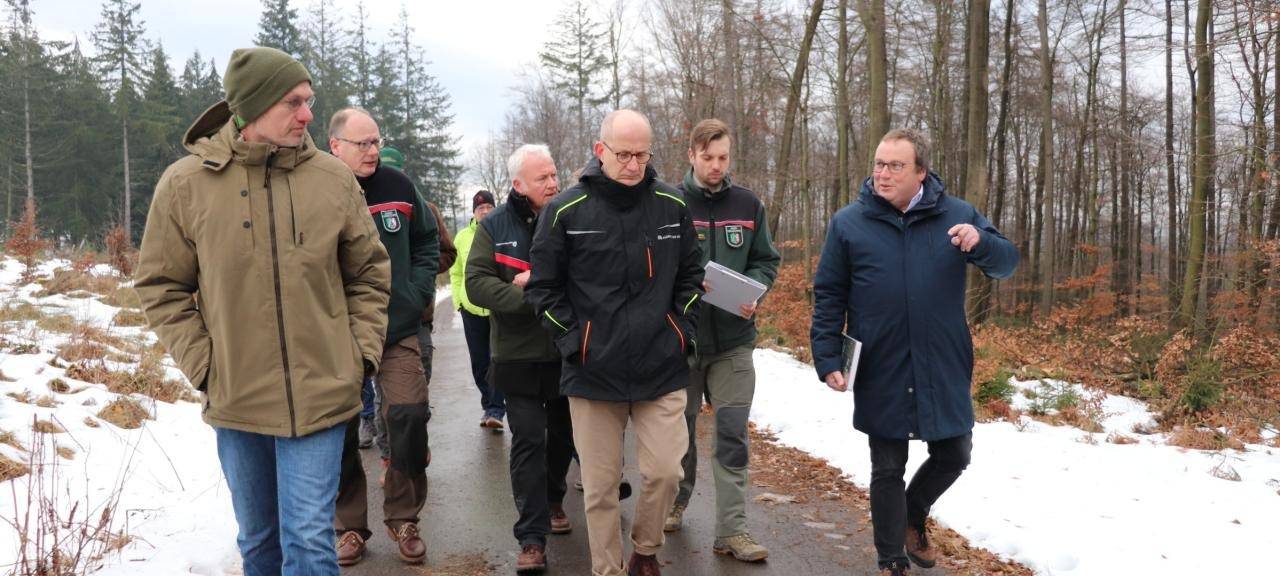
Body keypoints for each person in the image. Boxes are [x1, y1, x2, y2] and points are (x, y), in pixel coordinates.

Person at [135, 47, 390, 576]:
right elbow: (161, 286)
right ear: (251, 106)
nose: (308, 114)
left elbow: (368, 274)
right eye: (293, 102)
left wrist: (358, 356)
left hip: (321, 392)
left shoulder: (333, 179)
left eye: (309, 100)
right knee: (260, 544)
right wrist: (207, 366)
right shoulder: (185, 184)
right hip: (237, 397)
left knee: (309, 539)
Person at [810, 128, 1019, 576]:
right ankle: (891, 560)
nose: (882, 174)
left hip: (942, 360)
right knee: (887, 465)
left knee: (955, 453)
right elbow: (829, 293)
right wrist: (826, 357)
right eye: (879, 164)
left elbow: (1006, 263)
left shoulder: (958, 215)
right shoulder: (849, 223)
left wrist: (982, 242)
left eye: (895, 166)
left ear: (920, 172)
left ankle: (912, 512)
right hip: (880, 361)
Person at [526, 109, 704, 576]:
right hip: (592, 370)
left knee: (666, 471)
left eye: (642, 155)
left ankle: (645, 548)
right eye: (623, 154)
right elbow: (543, 289)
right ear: (599, 149)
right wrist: (575, 342)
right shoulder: (565, 211)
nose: (633, 164)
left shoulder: (672, 205)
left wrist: (681, 331)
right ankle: (607, 569)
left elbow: (692, 275)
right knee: (601, 487)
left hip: (661, 364)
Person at [327, 108, 440, 566]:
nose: (373, 151)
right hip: (337, 332)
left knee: (409, 414)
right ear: (335, 146)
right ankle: (350, 526)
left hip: (397, 327)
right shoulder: (317, 187)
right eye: (363, 144)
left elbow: (428, 242)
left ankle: (404, 516)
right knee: (339, 429)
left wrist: (416, 292)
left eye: (376, 141)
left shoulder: (399, 186)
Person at [666, 119, 780, 562]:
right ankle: (675, 502)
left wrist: (754, 290)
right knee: (680, 434)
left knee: (732, 435)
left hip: (734, 342)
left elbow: (766, 260)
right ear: (692, 155)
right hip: (683, 341)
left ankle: (732, 530)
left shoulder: (748, 204)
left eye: (724, 158)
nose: (717, 166)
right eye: (708, 157)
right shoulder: (670, 203)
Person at [465, 144, 575, 573]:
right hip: (517, 354)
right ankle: (531, 538)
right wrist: (528, 297)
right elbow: (476, 284)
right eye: (542, 178)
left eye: (553, 174)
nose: (552, 183)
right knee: (528, 439)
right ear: (518, 184)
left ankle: (553, 500)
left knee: (562, 437)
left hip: (566, 349)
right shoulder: (494, 225)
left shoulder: (572, 214)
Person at [366, 146, 458, 491]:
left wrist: (414, 280)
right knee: (381, 396)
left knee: (414, 395)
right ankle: (389, 457)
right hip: (373, 319)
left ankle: (412, 447)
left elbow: (445, 251)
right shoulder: (358, 202)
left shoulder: (423, 208)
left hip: (416, 318)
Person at [452, 190, 506, 429]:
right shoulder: (462, 237)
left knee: (498, 359)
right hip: (471, 309)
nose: (485, 212)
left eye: (488, 207)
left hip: (497, 308)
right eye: (480, 208)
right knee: (479, 362)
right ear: (474, 212)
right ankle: (488, 404)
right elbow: (456, 273)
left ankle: (496, 409)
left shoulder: (502, 233)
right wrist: (458, 302)